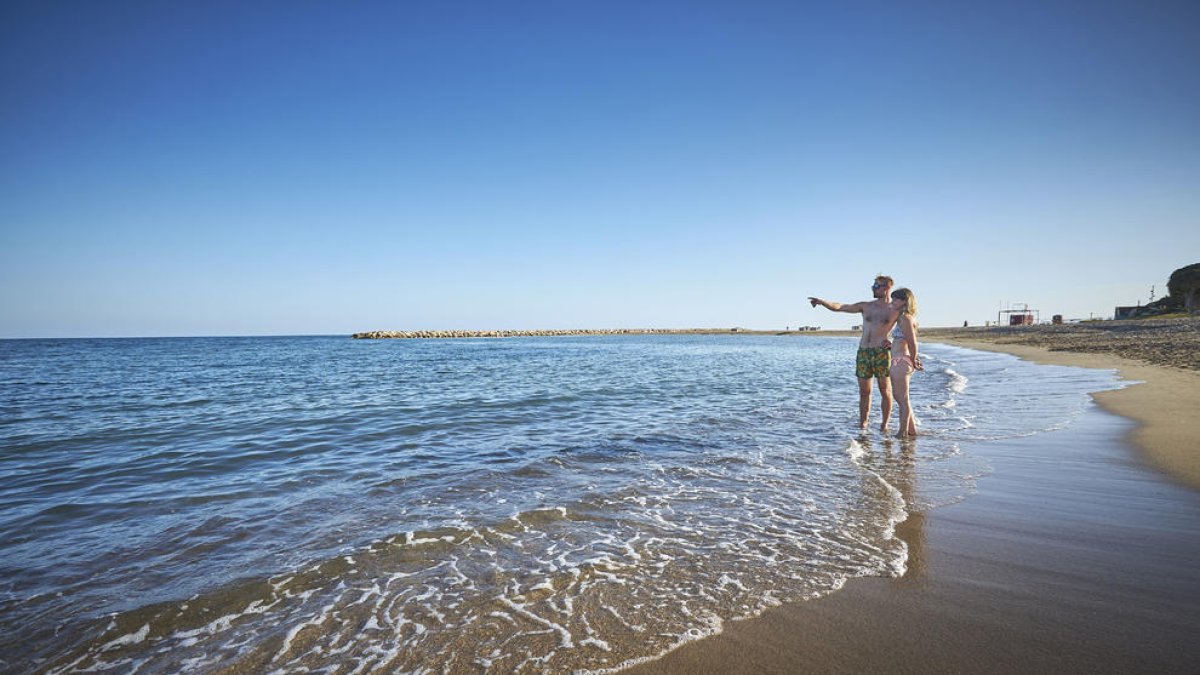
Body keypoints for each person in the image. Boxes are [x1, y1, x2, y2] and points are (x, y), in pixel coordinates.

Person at [808, 275, 901, 431]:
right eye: (873, 285)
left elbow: (907, 329)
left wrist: (893, 343)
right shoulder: (866, 306)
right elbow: (841, 306)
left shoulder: (895, 310)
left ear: (887, 288)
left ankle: (885, 424)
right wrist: (823, 302)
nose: (873, 288)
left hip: (881, 353)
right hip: (863, 352)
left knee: (885, 390)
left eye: (876, 286)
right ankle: (863, 423)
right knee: (864, 391)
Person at [889, 288, 922, 437]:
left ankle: (902, 432)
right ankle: (911, 430)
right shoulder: (904, 318)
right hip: (899, 360)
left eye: (895, 299)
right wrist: (890, 345)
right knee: (901, 397)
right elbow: (902, 340)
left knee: (902, 398)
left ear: (904, 301)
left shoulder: (905, 318)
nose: (892, 301)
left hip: (902, 361)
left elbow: (912, 342)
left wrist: (914, 359)